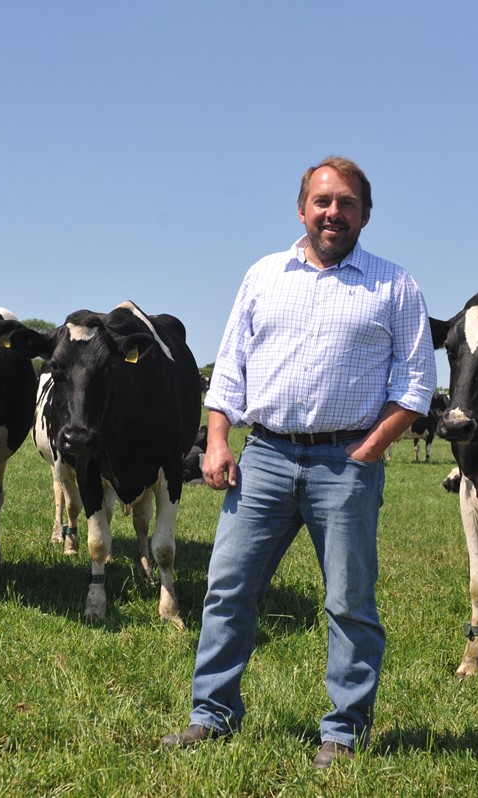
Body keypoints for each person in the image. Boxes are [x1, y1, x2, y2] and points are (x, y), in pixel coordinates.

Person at [161, 156, 437, 768]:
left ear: (366, 214)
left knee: (348, 600)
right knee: (228, 587)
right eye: (323, 201)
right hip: (263, 456)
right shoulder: (264, 274)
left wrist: (368, 449)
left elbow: (416, 385)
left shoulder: (395, 286)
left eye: (347, 203)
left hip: (346, 462)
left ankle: (344, 730)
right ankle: (211, 715)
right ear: (302, 209)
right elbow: (229, 369)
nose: (333, 213)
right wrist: (217, 440)